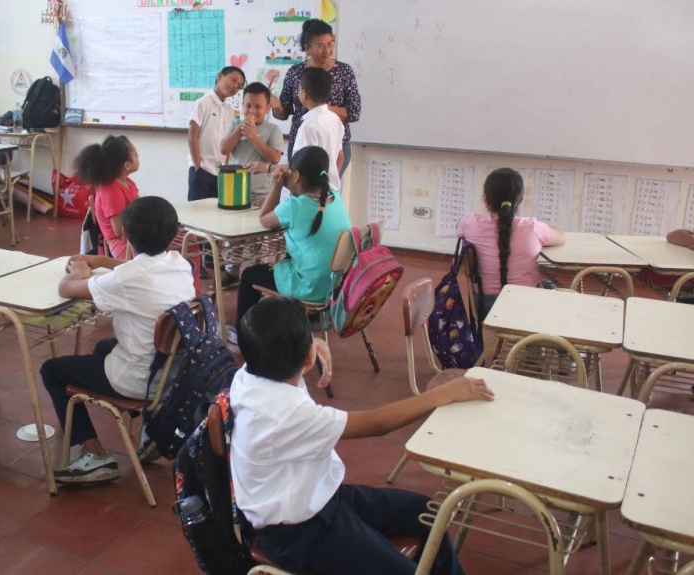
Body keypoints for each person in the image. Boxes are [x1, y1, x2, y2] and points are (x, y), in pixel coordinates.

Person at [231, 296, 493, 575]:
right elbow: (378, 424)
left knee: (430, 516)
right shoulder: (289, 415)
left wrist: (312, 346)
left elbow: (283, 361)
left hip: (321, 500)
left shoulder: (248, 376)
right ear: (307, 358)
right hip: (298, 535)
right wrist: (441, 394)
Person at [41, 196, 195, 484]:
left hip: (139, 379)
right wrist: (100, 261)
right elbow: (135, 269)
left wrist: (81, 271)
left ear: (124, 234)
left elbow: (67, 288)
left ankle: (95, 455)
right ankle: (152, 431)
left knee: (52, 370)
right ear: (173, 233)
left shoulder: (126, 279)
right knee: (102, 347)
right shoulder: (180, 264)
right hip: (174, 374)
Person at [232, 146, 350, 343]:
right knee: (288, 257)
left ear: (296, 175)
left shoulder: (294, 207)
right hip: (334, 285)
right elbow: (305, 202)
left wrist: (277, 186)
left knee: (249, 276)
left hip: (310, 287)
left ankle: (242, 337)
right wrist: (292, 184)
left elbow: (264, 219)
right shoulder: (335, 197)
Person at [457, 168, 566, 316]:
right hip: (528, 307)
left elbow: (459, 229)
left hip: (486, 308)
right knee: (554, 288)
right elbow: (561, 237)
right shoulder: (532, 227)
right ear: (520, 200)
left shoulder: (469, 223)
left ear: (486, 200)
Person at [270, 19, 361, 178]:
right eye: (320, 46)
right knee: (299, 191)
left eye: (330, 43)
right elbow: (283, 113)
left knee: (327, 191)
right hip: (302, 141)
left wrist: (320, 107)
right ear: (307, 48)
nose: (327, 50)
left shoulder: (344, 71)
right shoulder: (295, 72)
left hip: (335, 144)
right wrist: (277, 106)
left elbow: (353, 113)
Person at [75, 135, 140, 260]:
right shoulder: (111, 190)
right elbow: (119, 231)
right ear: (127, 165)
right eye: (136, 154)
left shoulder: (128, 183)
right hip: (124, 248)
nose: (138, 157)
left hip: (134, 241)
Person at [220, 81, 285, 206]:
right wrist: (240, 129)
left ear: (267, 108)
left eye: (258, 107)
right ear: (242, 104)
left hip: (262, 195)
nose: (252, 111)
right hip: (235, 191)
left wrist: (252, 137)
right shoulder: (235, 125)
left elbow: (275, 158)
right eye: (248, 106)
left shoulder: (273, 129)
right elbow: (223, 149)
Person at [188, 66, 246, 201]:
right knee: (197, 215)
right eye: (233, 80)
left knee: (215, 215)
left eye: (239, 86)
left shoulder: (230, 110)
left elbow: (228, 142)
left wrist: (225, 168)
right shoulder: (202, 103)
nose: (234, 87)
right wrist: (198, 167)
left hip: (221, 173)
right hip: (202, 170)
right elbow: (192, 137)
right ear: (219, 76)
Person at [286, 67, 344, 193]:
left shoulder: (308, 127)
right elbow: (340, 157)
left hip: (310, 194)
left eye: (299, 89)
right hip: (330, 191)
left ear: (304, 93)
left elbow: (299, 168)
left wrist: (268, 168)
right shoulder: (335, 119)